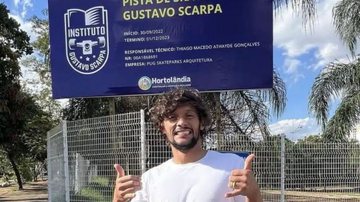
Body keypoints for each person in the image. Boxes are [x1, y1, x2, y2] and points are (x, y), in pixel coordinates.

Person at [113, 88, 263, 202]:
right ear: (162, 128)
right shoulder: (149, 180)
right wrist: (117, 200)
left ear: (201, 123)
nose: (181, 123)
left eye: (189, 115)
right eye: (172, 117)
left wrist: (254, 195)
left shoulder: (232, 165)